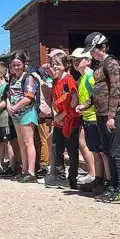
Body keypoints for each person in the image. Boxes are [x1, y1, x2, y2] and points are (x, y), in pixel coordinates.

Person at [85, 32, 120, 204]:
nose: (92, 53)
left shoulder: (111, 63)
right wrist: (86, 105)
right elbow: (98, 91)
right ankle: (113, 187)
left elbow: (116, 89)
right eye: (91, 51)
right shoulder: (99, 66)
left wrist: (112, 116)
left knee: (117, 150)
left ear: (103, 47)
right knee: (107, 151)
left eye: (94, 50)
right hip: (101, 113)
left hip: (113, 114)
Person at [72, 48, 109, 196]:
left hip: (95, 118)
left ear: (87, 60)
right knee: (94, 151)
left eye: (78, 59)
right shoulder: (81, 79)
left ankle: (107, 181)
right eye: (73, 60)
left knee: (102, 151)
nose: (75, 63)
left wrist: (86, 105)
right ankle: (97, 179)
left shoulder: (91, 77)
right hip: (87, 119)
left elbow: (98, 96)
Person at [45, 51, 81, 189]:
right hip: (59, 118)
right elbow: (55, 99)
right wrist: (56, 115)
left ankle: (72, 178)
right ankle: (60, 176)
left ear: (65, 65)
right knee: (56, 147)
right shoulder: (55, 81)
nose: (55, 67)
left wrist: (62, 115)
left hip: (70, 119)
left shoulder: (68, 79)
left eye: (58, 64)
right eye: (54, 65)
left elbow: (73, 99)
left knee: (71, 149)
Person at [5, 50, 39, 183]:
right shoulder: (12, 78)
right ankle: (24, 170)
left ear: (24, 64)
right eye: (14, 65)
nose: (16, 67)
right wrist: (9, 106)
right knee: (21, 142)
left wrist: (14, 107)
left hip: (26, 113)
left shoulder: (28, 78)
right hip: (15, 114)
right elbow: (8, 94)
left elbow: (29, 97)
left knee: (28, 142)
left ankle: (31, 171)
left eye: (19, 64)